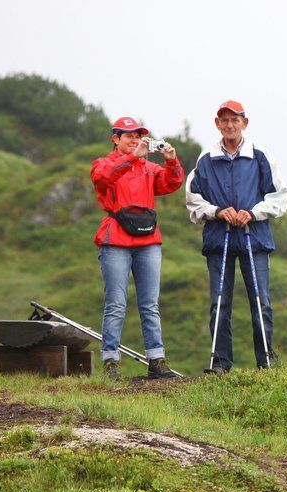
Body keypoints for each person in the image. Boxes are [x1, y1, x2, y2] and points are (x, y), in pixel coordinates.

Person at [185, 100, 287, 373]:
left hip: (254, 237)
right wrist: (218, 211)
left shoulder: (260, 155)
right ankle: (220, 363)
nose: (230, 125)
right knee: (219, 303)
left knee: (261, 302)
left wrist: (253, 213)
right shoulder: (206, 159)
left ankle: (266, 362)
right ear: (217, 124)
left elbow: (279, 197)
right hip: (219, 239)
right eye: (225, 120)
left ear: (245, 123)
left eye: (235, 120)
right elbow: (193, 200)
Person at [90, 116, 183, 380]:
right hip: (116, 241)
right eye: (129, 136)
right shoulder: (103, 163)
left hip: (148, 241)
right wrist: (133, 158)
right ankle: (110, 362)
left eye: (138, 136)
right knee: (116, 304)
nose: (134, 140)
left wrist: (171, 160)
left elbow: (172, 183)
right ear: (115, 139)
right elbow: (102, 178)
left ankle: (157, 360)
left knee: (150, 304)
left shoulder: (149, 168)